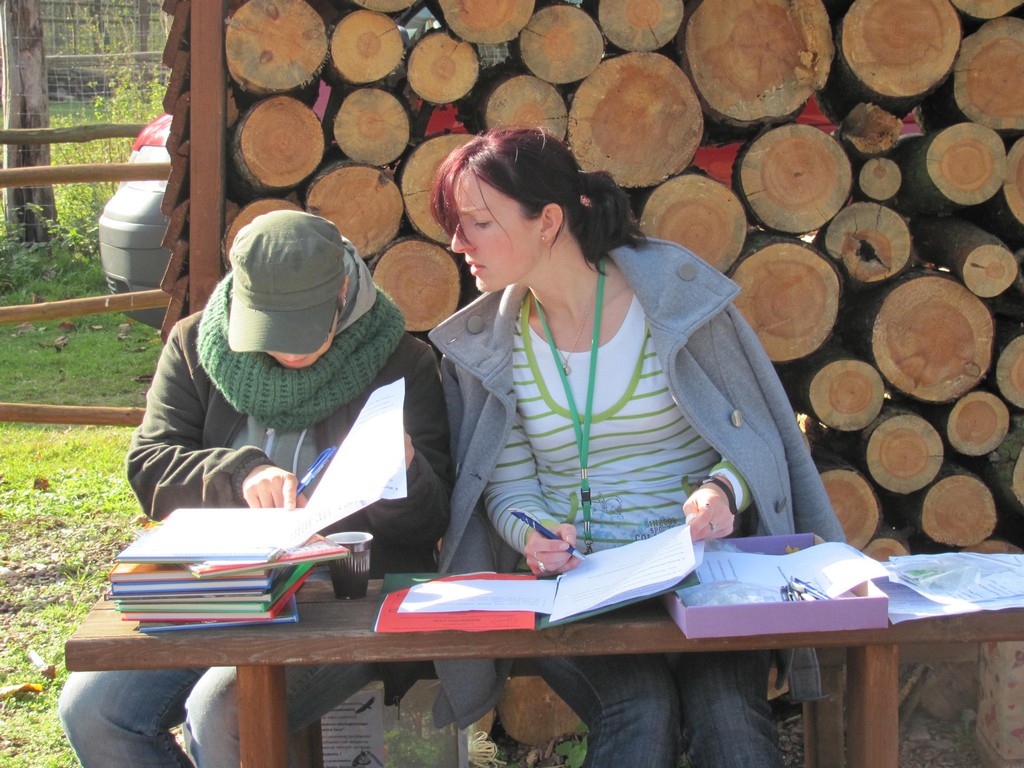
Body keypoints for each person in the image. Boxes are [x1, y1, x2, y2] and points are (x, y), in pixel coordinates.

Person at [426, 127, 844, 768]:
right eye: (456, 225)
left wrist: (721, 490)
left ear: (549, 221)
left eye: (477, 223)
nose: (458, 243)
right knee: (639, 711)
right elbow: (506, 486)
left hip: (707, 574)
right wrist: (534, 535)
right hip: (578, 589)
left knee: (729, 718)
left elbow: (756, 440)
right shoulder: (489, 347)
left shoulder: (676, 305)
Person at [59, 210, 452, 768]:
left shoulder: (401, 361)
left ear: (342, 292)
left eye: (304, 330)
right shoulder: (196, 345)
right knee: (93, 711)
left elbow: (429, 523)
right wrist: (240, 473)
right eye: (271, 332)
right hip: (214, 585)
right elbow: (150, 466)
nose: (289, 352)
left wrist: (402, 470)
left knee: (223, 712)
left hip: (338, 598)